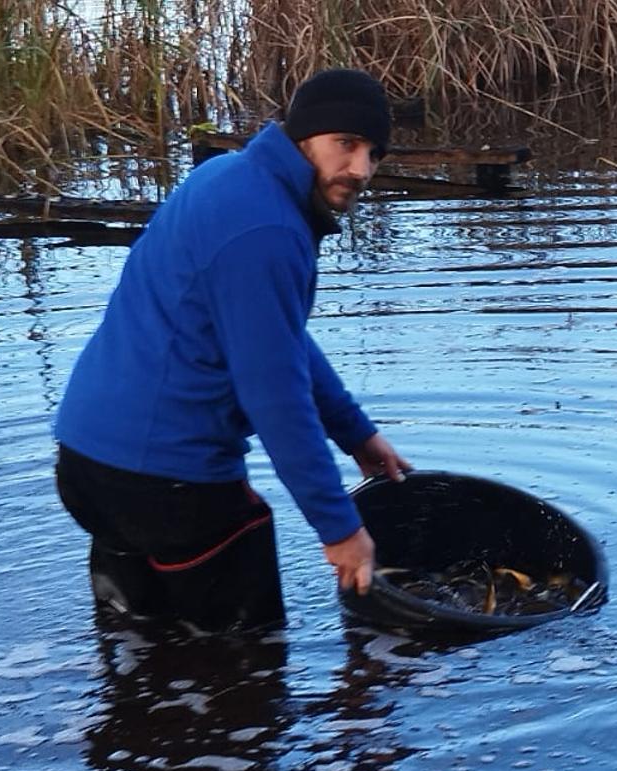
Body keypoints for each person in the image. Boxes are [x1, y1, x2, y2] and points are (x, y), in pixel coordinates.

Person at [53, 68, 411, 633]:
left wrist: (354, 432)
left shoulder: (224, 175)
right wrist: (339, 528)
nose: (361, 169)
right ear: (303, 135)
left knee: (142, 647)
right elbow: (275, 397)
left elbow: (275, 336)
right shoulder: (269, 231)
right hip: (170, 486)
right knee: (248, 659)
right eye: (346, 143)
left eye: (374, 154)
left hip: (87, 466)